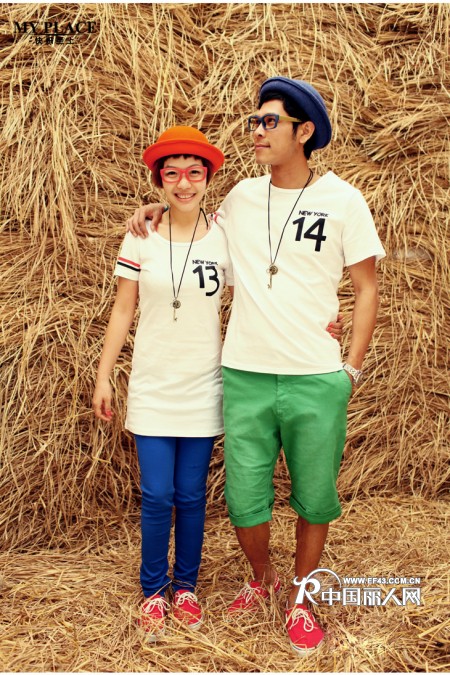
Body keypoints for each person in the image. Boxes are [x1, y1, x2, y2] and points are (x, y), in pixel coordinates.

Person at [127, 77, 372, 654]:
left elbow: (367, 287)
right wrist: (152, 211)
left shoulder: (344, 200)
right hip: (243, 374)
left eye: (269, 122)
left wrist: (350, 370)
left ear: (304, 132)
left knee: (314, 497)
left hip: (316, 376)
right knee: (243, 498)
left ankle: (301, 600)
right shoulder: (239, 197)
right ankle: (262, 579)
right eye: (254, 122)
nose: (257, 131)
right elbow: (189, 223)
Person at [93, 126, 234, 639]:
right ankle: (153, 591)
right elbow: (122, 309)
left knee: (191, 495)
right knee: (156, 494)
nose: (184, 183)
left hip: (204, 385)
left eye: (194, 173)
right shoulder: (141, 235)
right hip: (153, 384)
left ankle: (187, 588)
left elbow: (261, 294)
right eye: (172, 174)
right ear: (158, 182)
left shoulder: (226, 234)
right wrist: (104, 375)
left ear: (208, 178)